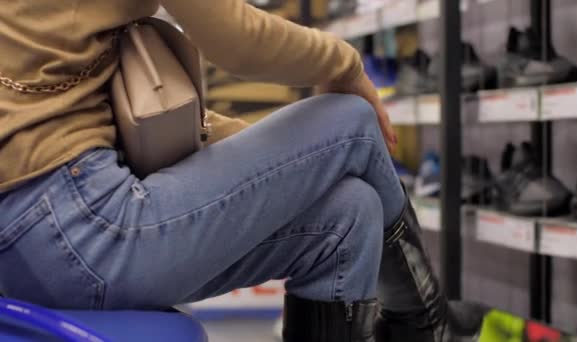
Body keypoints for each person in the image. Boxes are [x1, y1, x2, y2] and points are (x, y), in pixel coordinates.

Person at [0, 1, 482, 341]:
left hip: (34, 246)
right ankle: (426, 325)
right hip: (83, 230)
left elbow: (154, 121)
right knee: (351, 120)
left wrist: (292, 158)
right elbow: (234, 36)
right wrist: (346, 64)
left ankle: (420, 324)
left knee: (347, 216)